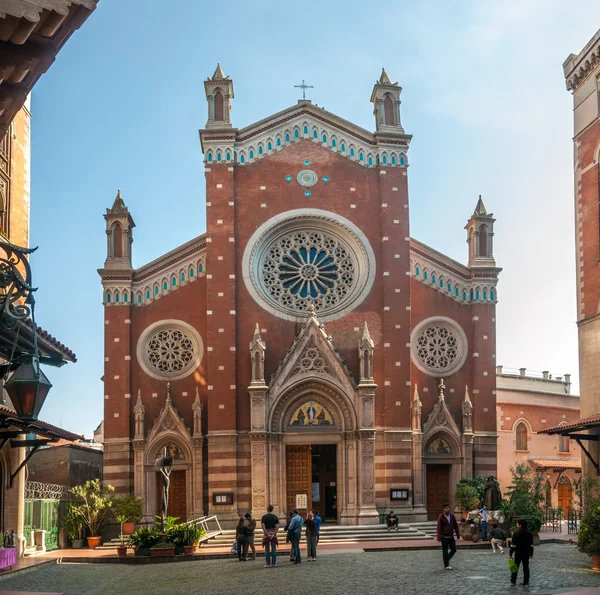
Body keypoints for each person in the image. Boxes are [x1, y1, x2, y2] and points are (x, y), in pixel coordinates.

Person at [510, 518, 534, 588]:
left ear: (520, 525)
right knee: (526, 568)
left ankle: (513, 581)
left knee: (515, 567)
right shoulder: (529, 534)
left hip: (518, 553)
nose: (516, 525)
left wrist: (510, 553)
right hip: (526, 553)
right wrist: (531, 553)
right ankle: (526, 582)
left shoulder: (516, 533)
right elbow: (531, 545)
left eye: (517, 524)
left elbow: (513, 545)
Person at [436, 504, 461, 570]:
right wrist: (438, 536)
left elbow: (455, 525)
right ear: (443, 509)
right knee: (445, 551)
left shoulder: (452, 516)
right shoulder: (441, 517)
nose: (448, 509)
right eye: (446, 508)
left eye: (448, 508)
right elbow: (439, 527)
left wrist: (458, 534)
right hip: (444, 537)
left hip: (451, 536)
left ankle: (446, 559)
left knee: (454, 549)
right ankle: (446, 565)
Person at [261, 504, 280, 569]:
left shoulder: (264, 517)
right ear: (272, 509)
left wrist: (268, 534)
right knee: (274, 549)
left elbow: (263, 527)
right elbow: (277, 526)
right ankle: (274, 563)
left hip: (266, 535)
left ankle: (268, 564)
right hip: (273, 534)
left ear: (267, 509)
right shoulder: (275, 517)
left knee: (267, 550)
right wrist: (273, 534)